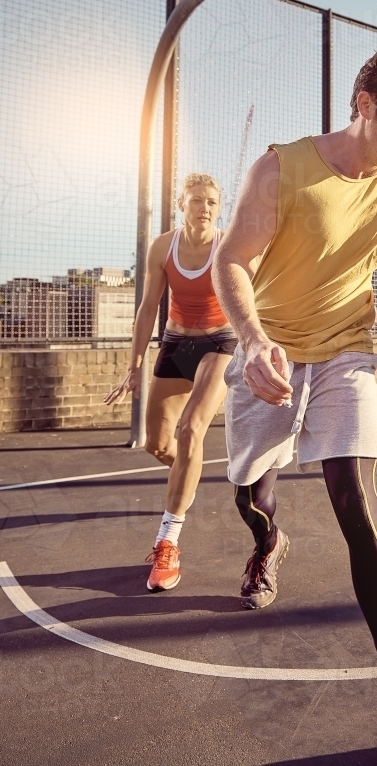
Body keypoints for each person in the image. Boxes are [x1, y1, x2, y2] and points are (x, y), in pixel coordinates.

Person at [212, 46, 377, 765]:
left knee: (357, 500)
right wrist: (252, 342)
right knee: (249, 492)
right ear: (363, 104)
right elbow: (231, 259)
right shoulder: (282, 168)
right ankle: (267, 543)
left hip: (346, 352)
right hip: (272, 350)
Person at [105, 173, 237, 592]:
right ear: (182, 203)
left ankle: (168, 542)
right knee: (160, 446)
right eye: (197, 199)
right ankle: (189, 470)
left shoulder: (229, 244)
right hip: (177, 340)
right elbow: (147, 310)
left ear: (220, 207)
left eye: (212, 201)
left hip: (221, 341)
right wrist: (134, 367)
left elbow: (256, 294)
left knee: (191, 429)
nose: (205, 207)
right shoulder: (163, 247)